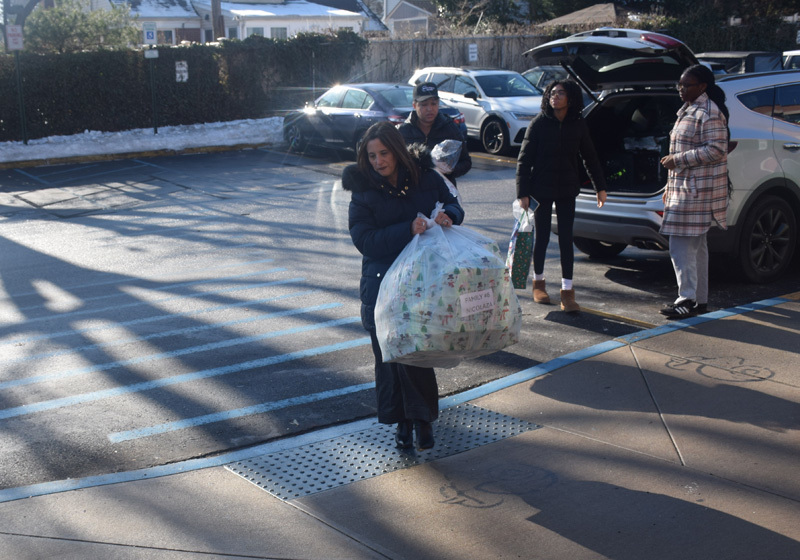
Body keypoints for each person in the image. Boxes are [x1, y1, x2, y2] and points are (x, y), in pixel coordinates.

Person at [342, 121, 465, 450]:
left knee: (416, 353)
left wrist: (449, 215)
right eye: (371, 156)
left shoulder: (425, 177)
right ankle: (400, 422)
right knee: (389, 358)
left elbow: (452, 202)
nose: (378, 161)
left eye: (384, 153)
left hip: (422, 282)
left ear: (397, 151)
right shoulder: (364, 189)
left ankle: (423, 420)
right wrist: (407, 229)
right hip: (382, 284)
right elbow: (364, 240)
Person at [515, 79, 607, 313]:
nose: (554, 97)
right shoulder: (538, 124)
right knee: (543, 238)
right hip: (541, 189)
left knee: (566, 239)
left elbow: (590, 156)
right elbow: (524, 161)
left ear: (571, 98)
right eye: (552, 93)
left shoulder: (578, 124)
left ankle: (568, 292)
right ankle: (539, 283)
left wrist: (600, 187)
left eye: (560, 93)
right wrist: (522, 193)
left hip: (567, 188)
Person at [659, 64, 729, 319]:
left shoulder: (708, 113)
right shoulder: (689, 110)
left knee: (681, 245)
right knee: (696, 247)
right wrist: (669, 186)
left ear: (702, 87)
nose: (681, 88)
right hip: (685, 188)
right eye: (680, 84)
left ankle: (686, 299)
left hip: (697, 190)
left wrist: (679, 159)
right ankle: (699, 300)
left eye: (686, 85)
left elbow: (717, 149)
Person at [397, 82, 472, 186]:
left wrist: (450, 169)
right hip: (413, 191)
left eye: (434, 103)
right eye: (424, 104)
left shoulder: (450, 128)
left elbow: (466, 162)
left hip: (444, 191)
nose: (429, 109)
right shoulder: (403, 131)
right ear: (414, 105)